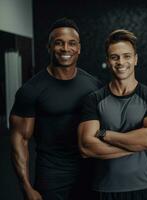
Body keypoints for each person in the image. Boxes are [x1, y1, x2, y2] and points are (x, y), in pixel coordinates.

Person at [10, 18, 102, 200]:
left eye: (71, 43)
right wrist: (26, 187)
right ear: (49, 47)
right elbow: (19, 140)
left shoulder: (94, 85)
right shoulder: (31, 90)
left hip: (89, 170)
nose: (66, 49)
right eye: (59, 43)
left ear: (79, 48)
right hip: (52, 175)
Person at [78, 29, 147, 200]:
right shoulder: (94, 99)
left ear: (135, 59)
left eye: (127, 56)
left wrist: (105, 134)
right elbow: (86, 147)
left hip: (143, 189)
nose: (121, 62)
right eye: (115, 57)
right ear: (108, 61)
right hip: (103, 190)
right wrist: (137, 143)